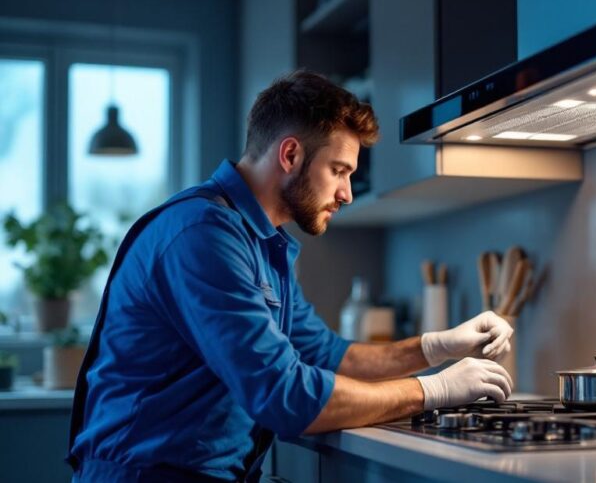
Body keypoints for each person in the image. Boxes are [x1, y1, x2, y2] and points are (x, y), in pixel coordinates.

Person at [68, 71, 514, 482]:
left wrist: (436, 346)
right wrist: (434, 389)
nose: (347, 193)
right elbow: (282, 395)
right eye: (339, 171)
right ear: (291, 153)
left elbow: (325, 354)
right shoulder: (204, 235)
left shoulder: (262, 242)